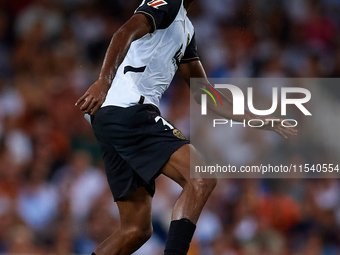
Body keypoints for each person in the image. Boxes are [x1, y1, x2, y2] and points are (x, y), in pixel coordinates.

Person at [75, 0, 297, 254]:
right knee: (201, 176)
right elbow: (123, 32)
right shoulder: (166, 2)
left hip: (113, 117)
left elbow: (204, 93)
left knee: (135, 230)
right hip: (128, 109)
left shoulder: (186, 28)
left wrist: (259, 119)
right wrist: (103, 81)